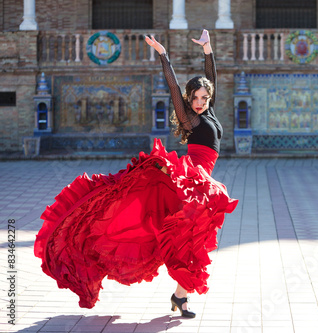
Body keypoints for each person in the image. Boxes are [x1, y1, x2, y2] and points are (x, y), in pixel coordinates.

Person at [34, 29, 238, 319]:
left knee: (194, 240)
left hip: (201, 183)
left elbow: (211, 77)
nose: (200, 101)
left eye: (204, 97)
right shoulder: (189, 117)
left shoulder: (210, 112)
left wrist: (207, 50)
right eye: (194, 97)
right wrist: (163, 55)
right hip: (191, 181)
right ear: (188, 99)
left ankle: (181, 296)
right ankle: (180, 295)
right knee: (192, 237)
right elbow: (172, 86)